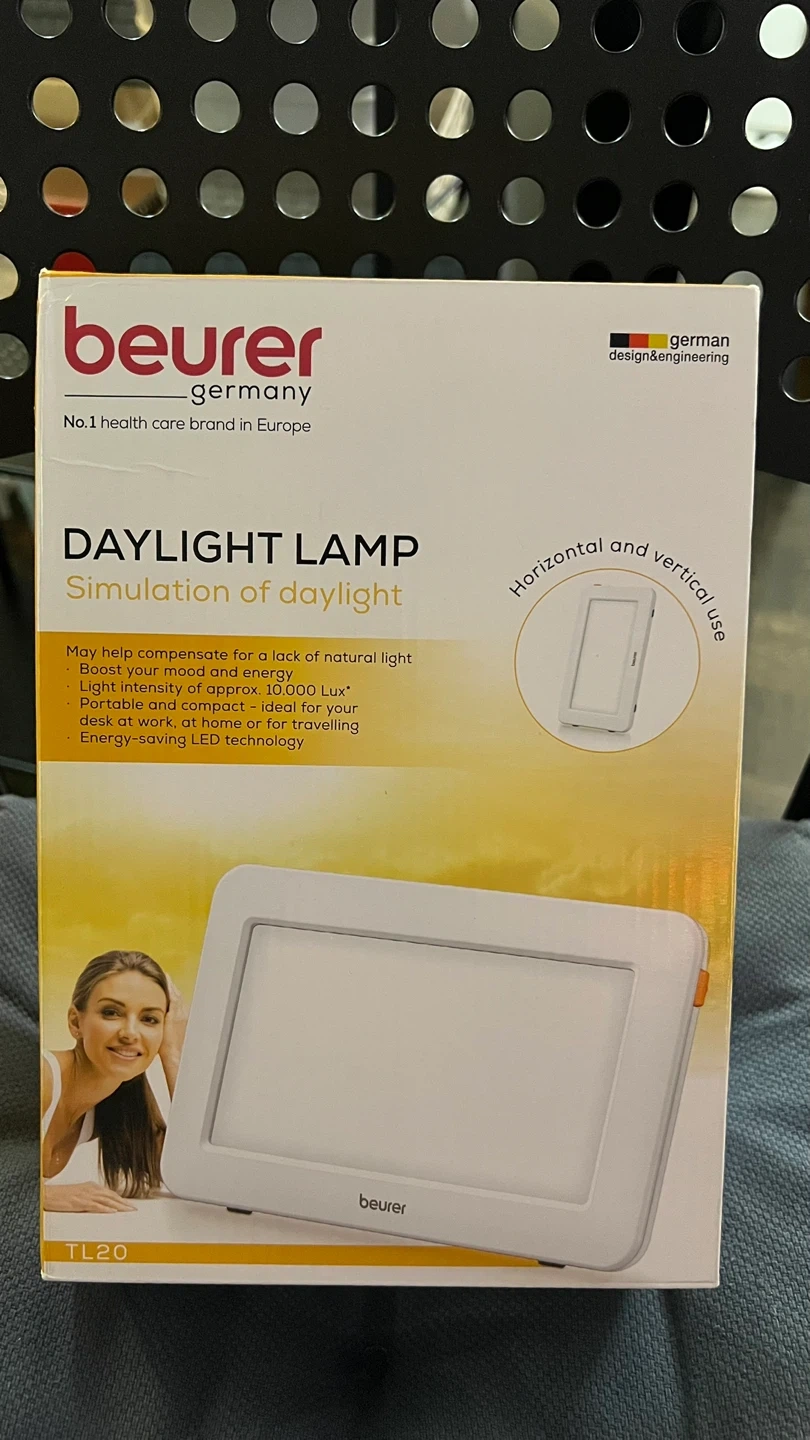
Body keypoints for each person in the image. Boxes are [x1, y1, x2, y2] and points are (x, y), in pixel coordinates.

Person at [41, 949, 186, 1213]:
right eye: (111, 1012)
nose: (130, 1033)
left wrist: (172, 1054)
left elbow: (193, 1173)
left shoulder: (113, 1104)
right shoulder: (40, 1078)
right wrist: (43, 1195)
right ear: (75, 1022)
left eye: (149, 1019)